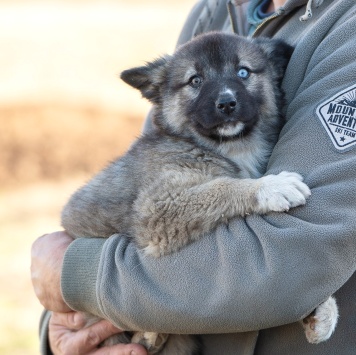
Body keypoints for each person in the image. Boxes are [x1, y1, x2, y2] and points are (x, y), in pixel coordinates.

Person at [31, 0, 356, 354]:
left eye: (243, 73)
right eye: (196, 81)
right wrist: (64, 324)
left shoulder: (344, 29)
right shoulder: (213, 11)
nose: (226, 96)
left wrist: (76, 275)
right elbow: (161, 224)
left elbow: (291, 259)